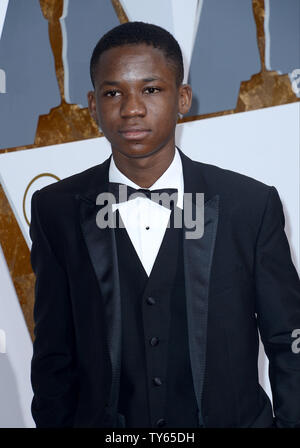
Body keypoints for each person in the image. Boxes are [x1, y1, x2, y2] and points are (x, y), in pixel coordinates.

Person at [30, 21, 300, 428]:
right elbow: (53, 354)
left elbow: (288, 340)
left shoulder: (250, 205)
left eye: (151, 89)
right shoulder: (56, 210)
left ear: (183, 98)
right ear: (92, 105)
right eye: (113, 92)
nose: (132, 108)